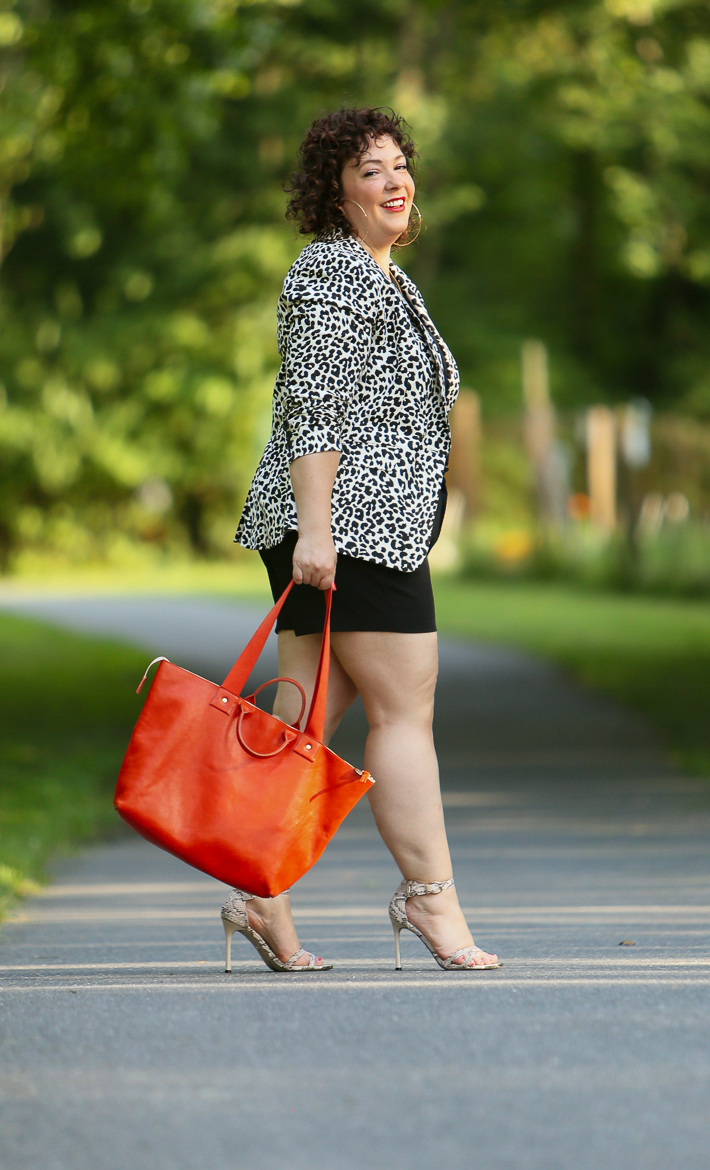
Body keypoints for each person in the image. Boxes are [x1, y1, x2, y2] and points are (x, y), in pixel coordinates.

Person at [227, 106, 500, 972]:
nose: (393, 181)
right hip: (350, 529)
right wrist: (315, 532)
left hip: (359, 527)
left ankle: (257, 892)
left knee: (304, 722)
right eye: (369, 170)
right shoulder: (330, 276)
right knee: (404, 714)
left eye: (399, 165)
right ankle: (432, 904)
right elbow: (313, 404)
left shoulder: (387, 278)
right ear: (334, 192)